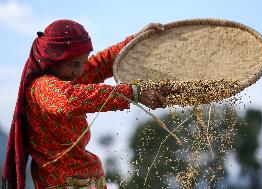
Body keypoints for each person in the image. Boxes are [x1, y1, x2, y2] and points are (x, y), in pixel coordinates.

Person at [2, 19, 176, 189]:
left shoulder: (68, 76)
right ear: (54, 59)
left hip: (86, 177)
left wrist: (133, 41)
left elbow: (100, 64)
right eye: (73, 64)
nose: (78, 71)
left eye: (82, 63)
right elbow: (69, 99)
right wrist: (133, 93)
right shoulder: (42, 87)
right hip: (64, 182)